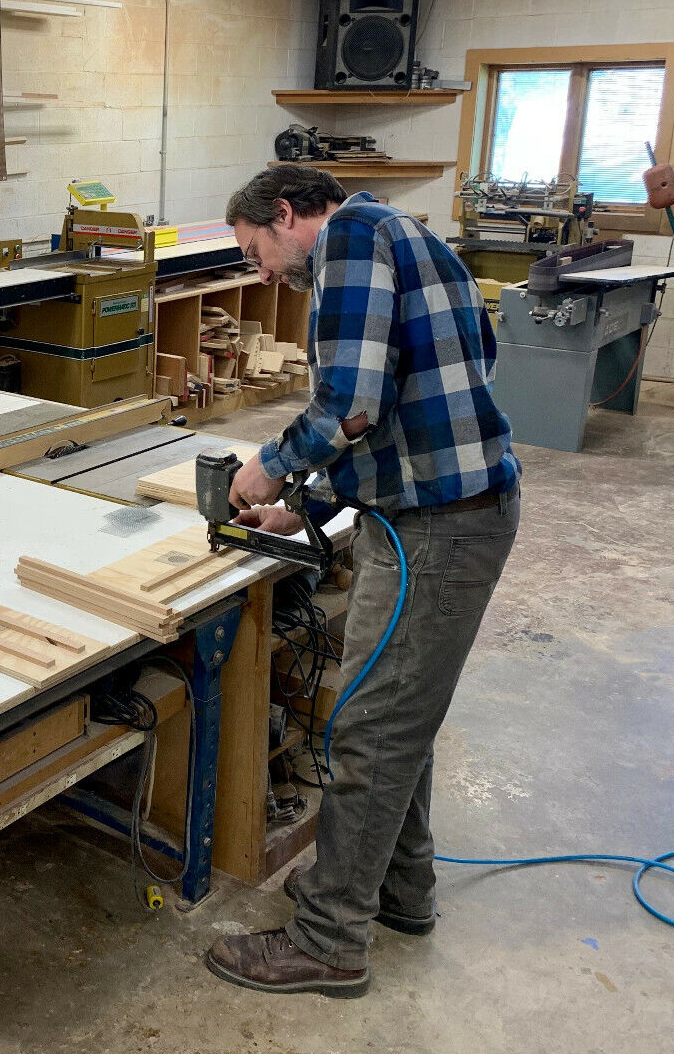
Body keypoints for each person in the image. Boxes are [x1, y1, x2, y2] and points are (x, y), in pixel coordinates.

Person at [204, 165, 522, 998]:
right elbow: (409, 405)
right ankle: (398, 892)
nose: (263, 274)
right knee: (396, 718)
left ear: (284, 214)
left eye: (255, 253)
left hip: (437, 531)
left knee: (369, 734)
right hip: (443, 512)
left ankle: (328, 941)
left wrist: (268, 470)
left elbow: (350, 403)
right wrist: (307, 505)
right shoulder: (406, 234)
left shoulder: (348, 239)